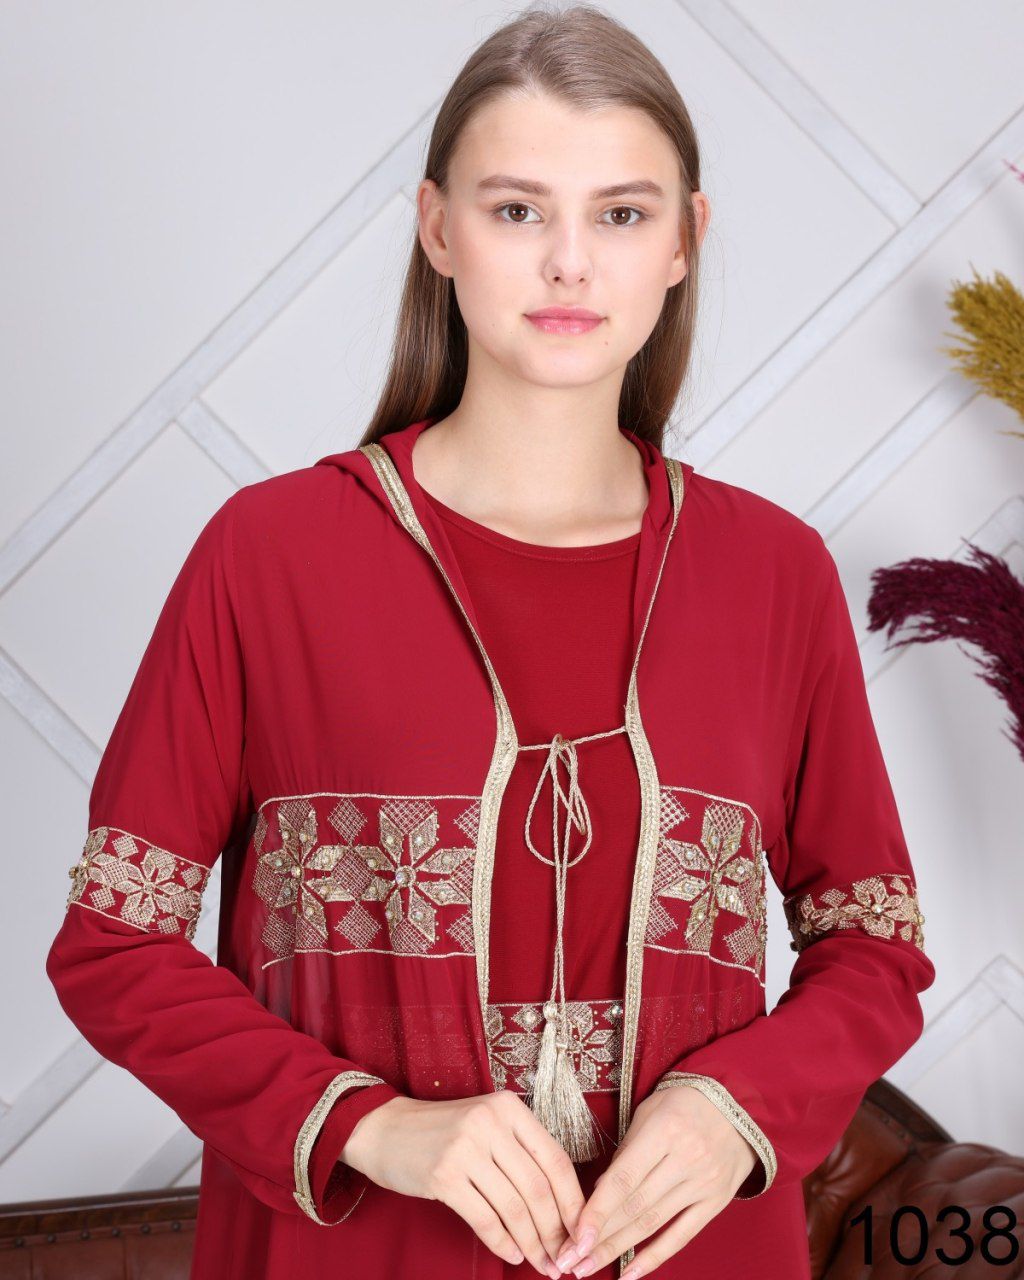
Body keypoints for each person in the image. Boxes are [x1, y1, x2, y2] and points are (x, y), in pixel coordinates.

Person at [45, 4, 935, 1278]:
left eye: (620, 214)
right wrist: (367, 1124)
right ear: (437, 228)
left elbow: (873, 945)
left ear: (684, 242)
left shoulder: (773, 574)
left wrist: (730, 1109)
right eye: (517, 210)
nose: (568, 263)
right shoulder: (271, 554)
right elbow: (115, 947)